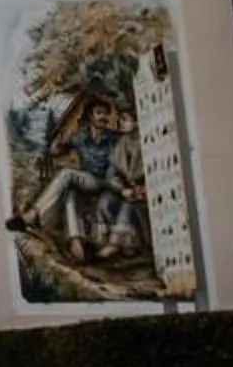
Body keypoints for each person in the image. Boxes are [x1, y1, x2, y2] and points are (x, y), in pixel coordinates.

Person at [10, 93, 145, 264]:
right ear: (90, 116)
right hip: (88, 182)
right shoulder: (81, 137)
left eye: (106, 113)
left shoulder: (114, 139)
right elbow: (59, 150)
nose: (104, 117)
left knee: (67, 174)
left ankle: (33, 214)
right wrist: (55, 148)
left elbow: (126, 158)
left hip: (107, 183)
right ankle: (77, 244)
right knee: (71, 194)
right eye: (99, 113)